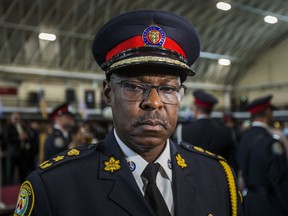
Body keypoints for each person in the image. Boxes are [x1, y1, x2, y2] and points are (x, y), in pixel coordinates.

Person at [14, 9, 243, 216]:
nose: (154, 103)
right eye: (134, 86)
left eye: (167, 89)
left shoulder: (217, 177)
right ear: (107, 93)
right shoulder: (55, 187)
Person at [237, 95, 288, 216]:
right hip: (270, 204)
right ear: (268, 112)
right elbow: (279, 180)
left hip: (249, 203)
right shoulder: (271, 143)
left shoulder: (244, 139)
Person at [181, 89, 234, 161]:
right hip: (217, 171)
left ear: (196, 108)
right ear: (211, 110)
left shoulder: (185, 130)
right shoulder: (224, 132)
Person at [3, 112, 28, 184]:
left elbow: (26, 135)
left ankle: (21, 186)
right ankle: (8, 189)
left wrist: (26, 136)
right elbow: (7, 138)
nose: (16, 120)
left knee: (22, 172)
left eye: (17, 118)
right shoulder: (8, 126)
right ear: (11, 118)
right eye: (15, 118)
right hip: (12, 153)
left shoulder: (21, 126)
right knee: (10, 172)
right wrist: (18, 138)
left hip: (21, 153)